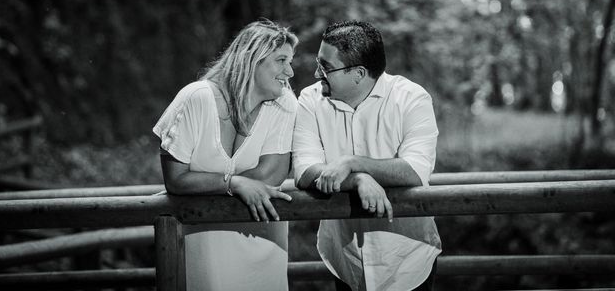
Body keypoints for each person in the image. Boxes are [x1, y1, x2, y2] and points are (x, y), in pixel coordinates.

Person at [292, 20, 442, 291]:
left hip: (408, 258)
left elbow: (416, 171)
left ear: (359, 73)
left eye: (326, 67)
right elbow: (304, 172)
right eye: (319, 63)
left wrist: (352, 163)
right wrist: (359, 179)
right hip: (345, 257)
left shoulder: (412, 98)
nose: (316, 74)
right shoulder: (309, 101)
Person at [152, 19, 298, 291]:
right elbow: (176, 179)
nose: (289, 71)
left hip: (263, 242)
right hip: (203, 245)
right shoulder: (196, 99)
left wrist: (203, 182)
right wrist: (235, 183)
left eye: (290, 61)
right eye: (281, 60)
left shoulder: (284, 102)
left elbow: (271, 176)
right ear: (252, 58)